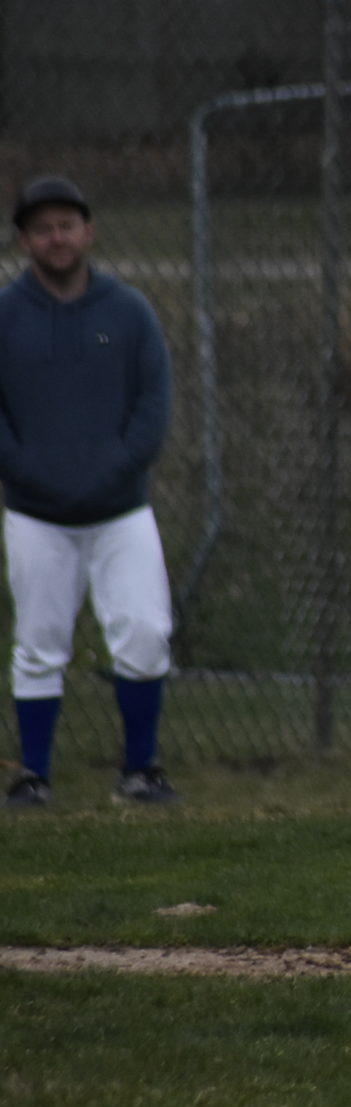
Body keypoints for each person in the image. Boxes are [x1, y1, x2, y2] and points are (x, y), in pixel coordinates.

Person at [0, 176, 179, 809]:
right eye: (42, 228)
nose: (57, 237)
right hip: (36, 515)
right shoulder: (6, 315)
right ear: (25, 239)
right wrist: (31, 475)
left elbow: (153, 407)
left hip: (120, 511)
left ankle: (139, 773)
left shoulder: (127, 310)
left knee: (145, 633)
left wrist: (111, 473)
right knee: (40, 643)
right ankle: (34, 778)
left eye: (67, 224)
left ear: (88, 231)